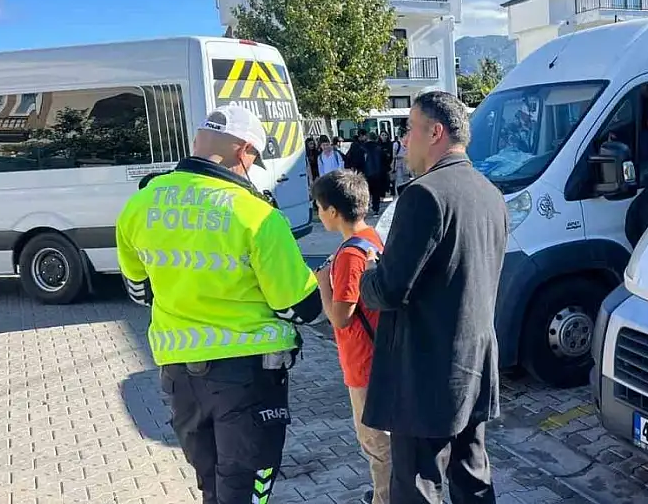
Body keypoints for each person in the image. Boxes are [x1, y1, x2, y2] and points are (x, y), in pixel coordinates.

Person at [115, 104, 324, 504]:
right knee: (245, 488)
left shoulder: (138, 207)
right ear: (244, 150)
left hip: (179, 374)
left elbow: (140, 292)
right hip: (248, 375)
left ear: (198, 141)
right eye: (253, 158)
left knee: (211, 483)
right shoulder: (256, 215)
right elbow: (301, 307)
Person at [360, 90, 507, 504]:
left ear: (436, 132)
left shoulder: (423, 195)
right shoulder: (489, 193)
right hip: (474, 365)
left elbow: (388, 290)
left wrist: (371, 271)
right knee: (472, 477)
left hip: (426, 374)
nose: (404, 141)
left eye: (410, 129)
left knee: (418, 487)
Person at [312, 170, 391, 504]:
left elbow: (341, 317)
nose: (318, 213)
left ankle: (385, 498)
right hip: (383, 356)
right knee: (388, 439)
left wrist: (322, 284)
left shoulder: (348, 256)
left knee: (376, 443)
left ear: (332, 212)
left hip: (363, 363)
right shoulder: (373, 238)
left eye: (318, 207)